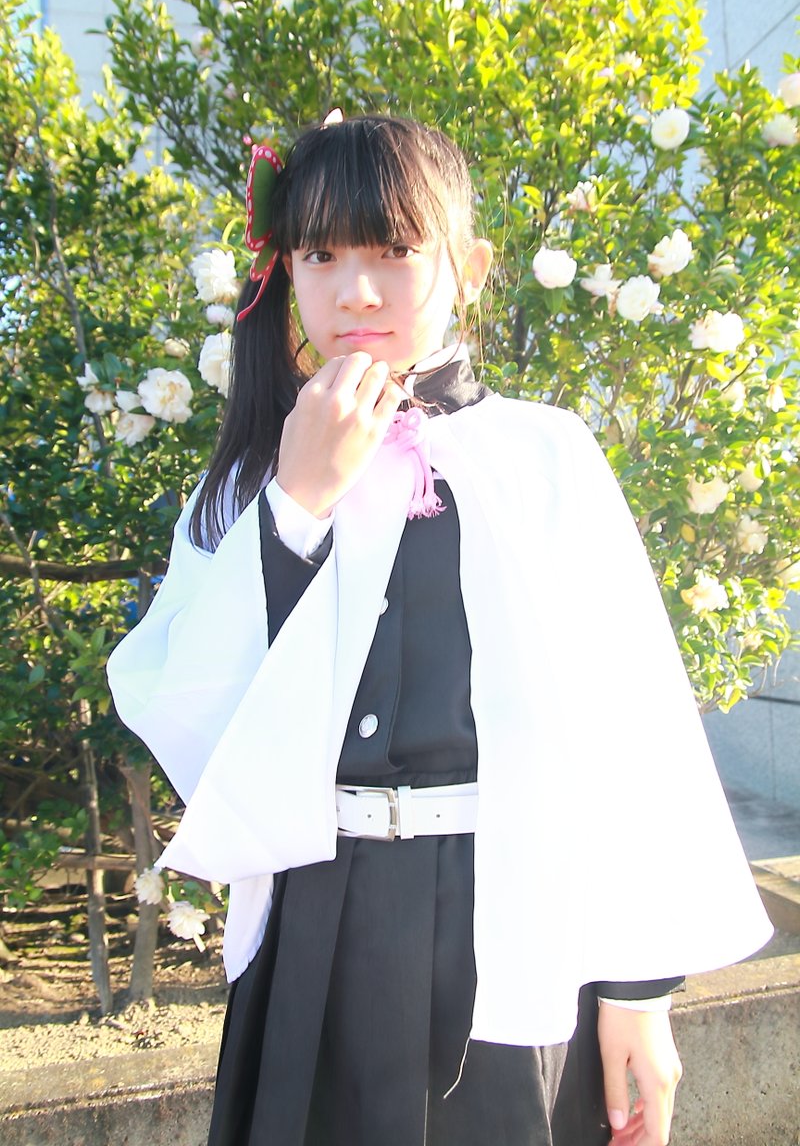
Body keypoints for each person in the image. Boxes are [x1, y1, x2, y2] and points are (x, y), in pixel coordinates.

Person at [107, 115, 772, 1146]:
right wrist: (296, 505)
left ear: (468, 265)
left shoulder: (544, 455)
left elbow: (630, 722)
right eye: (320, 255)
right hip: (315, 926)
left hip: (513, 921)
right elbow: (186, 701)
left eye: (393, 251)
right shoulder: (251, 478)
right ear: (284, 272)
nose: (355, 291)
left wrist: (636, 990)